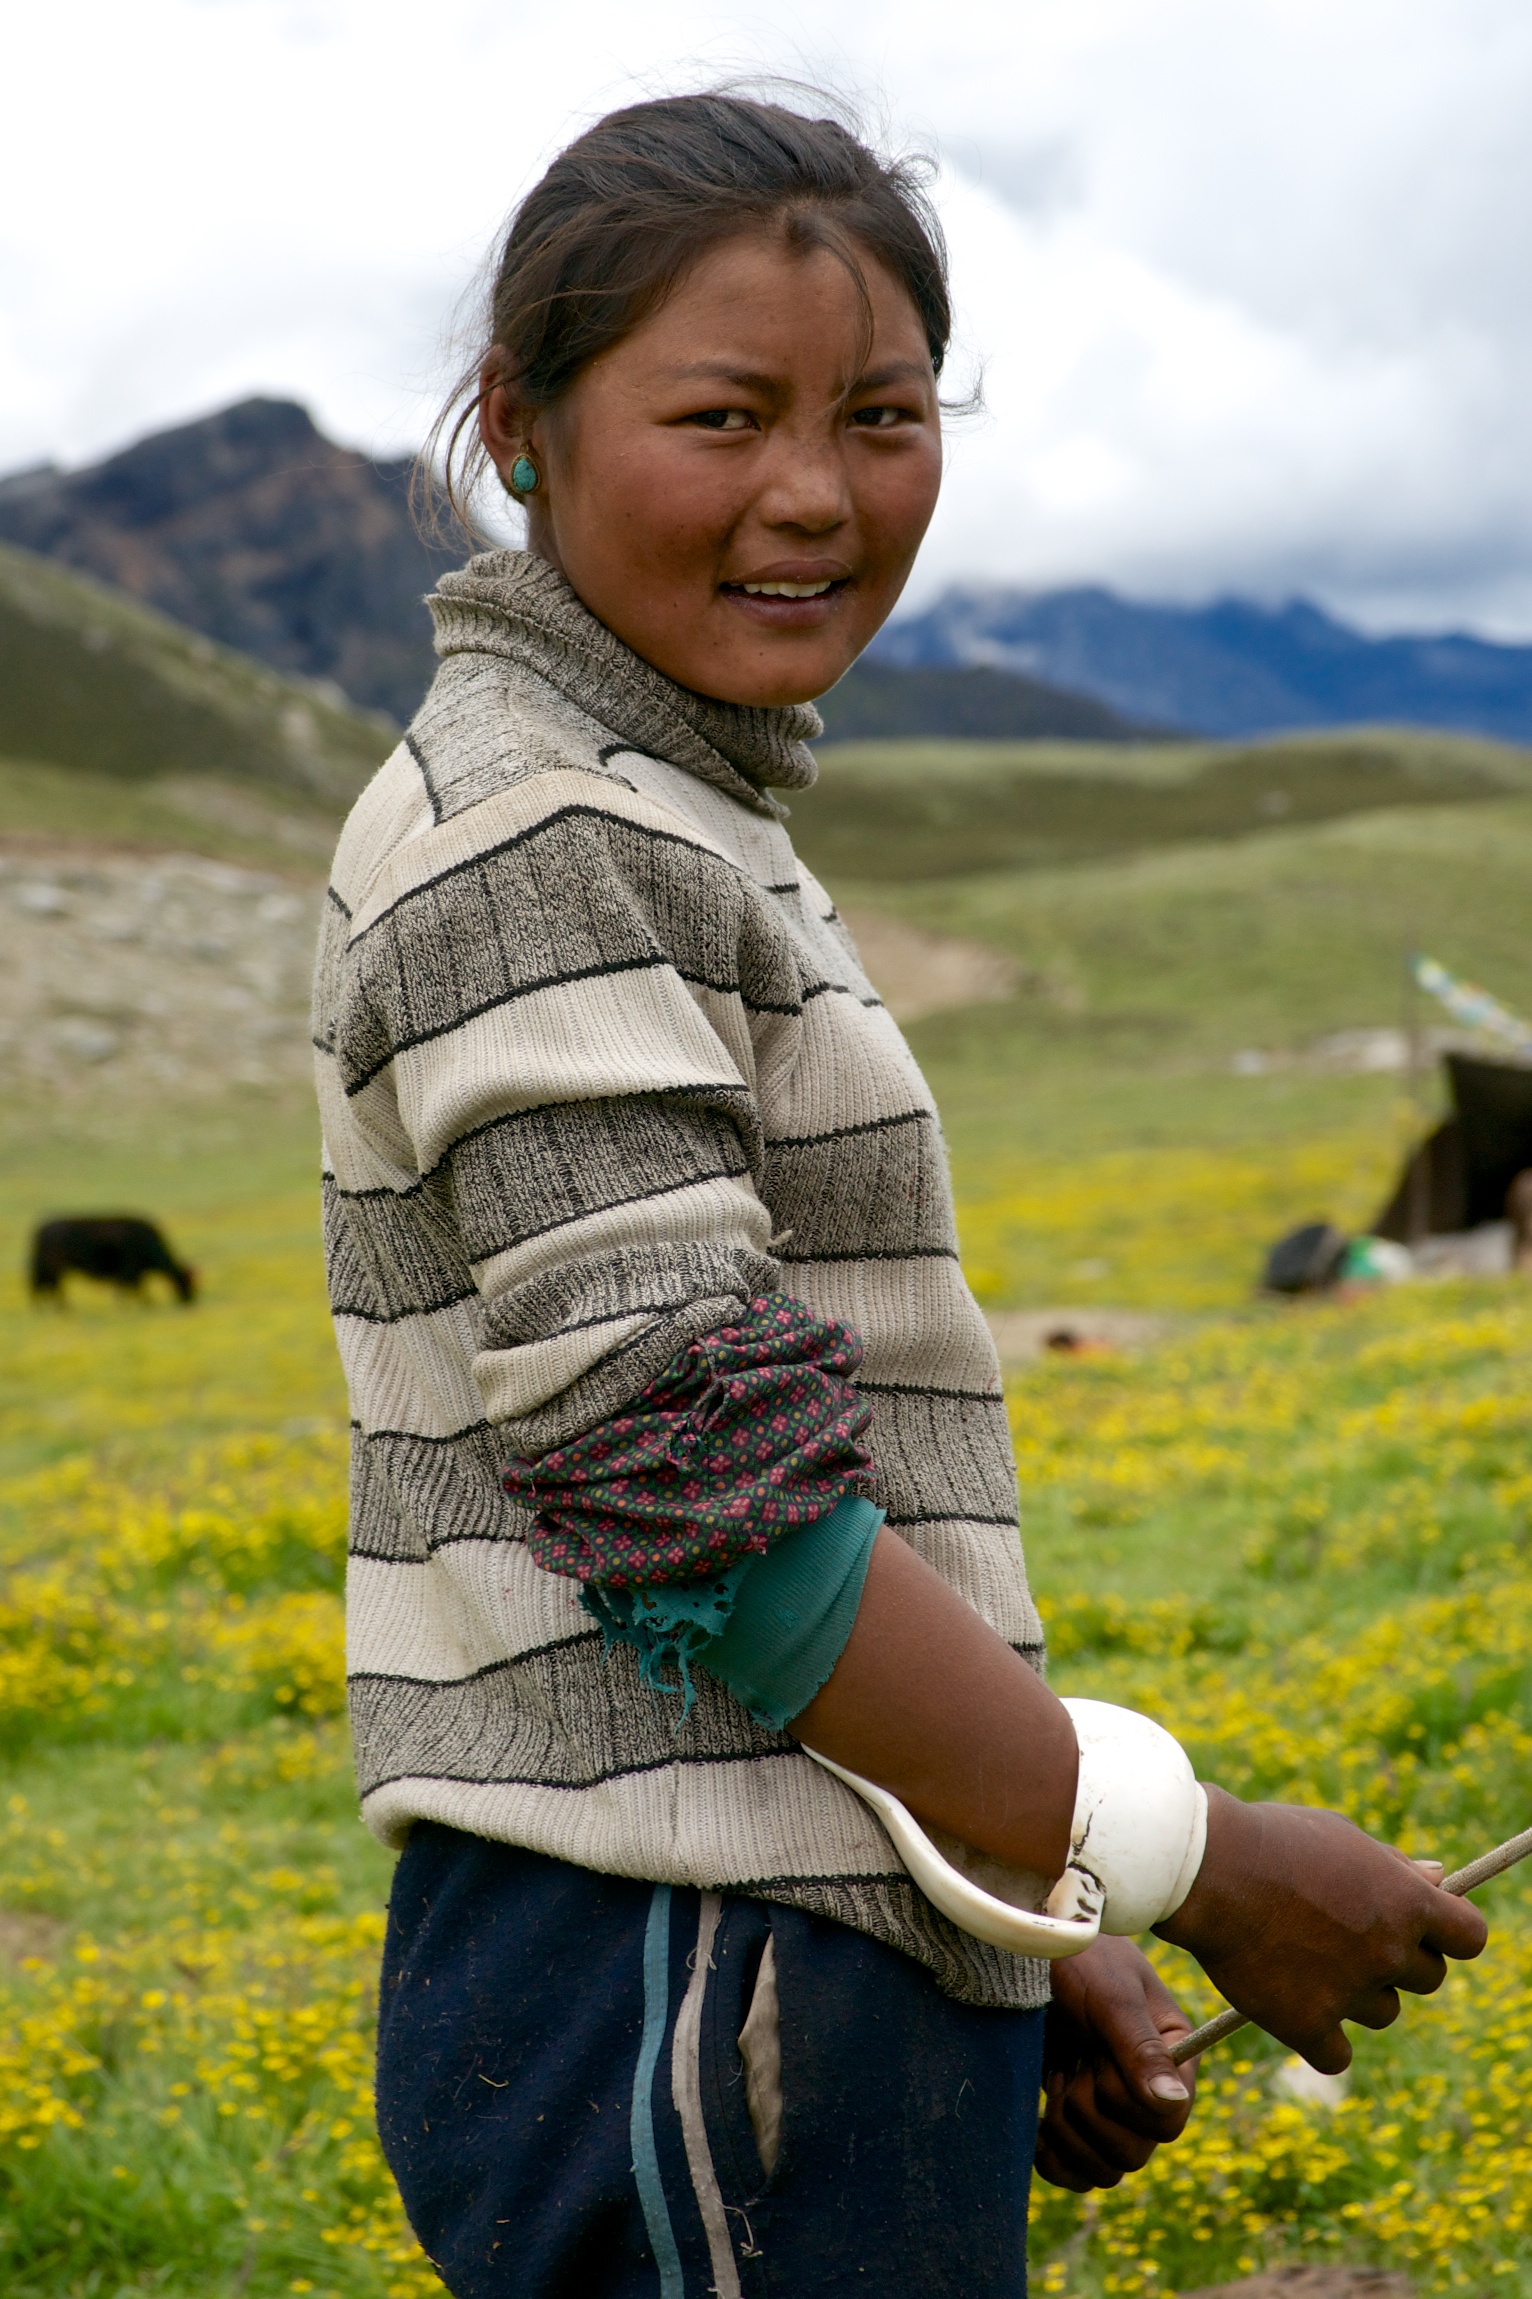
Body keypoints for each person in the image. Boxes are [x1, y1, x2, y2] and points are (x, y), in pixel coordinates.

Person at [314, 91, 1486, 2299]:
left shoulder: (675, 808)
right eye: (721, 413)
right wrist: (1180, 1852)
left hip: (768, 1936)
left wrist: (995, 1913)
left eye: (879, 414)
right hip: (671, 1976)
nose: (812, 494)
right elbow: (705, 1502)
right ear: (519, 427)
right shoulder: (539, 839)